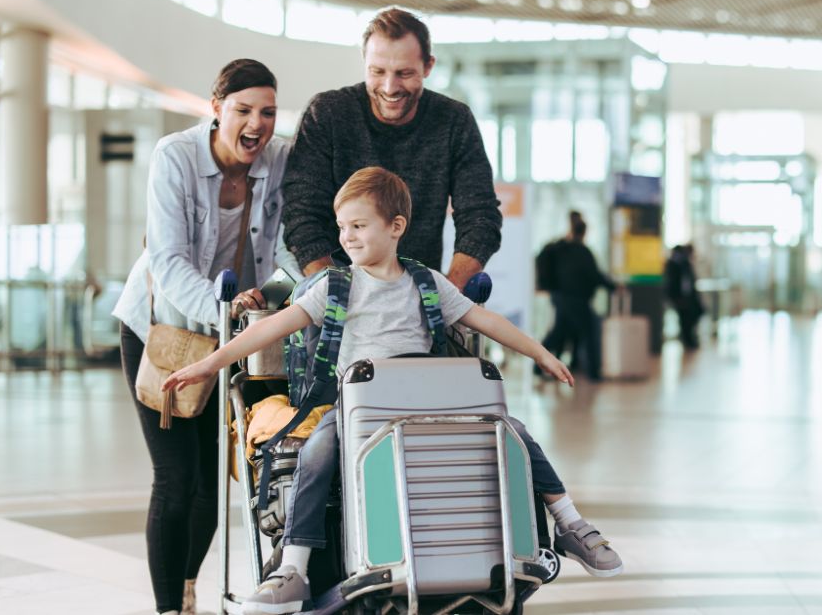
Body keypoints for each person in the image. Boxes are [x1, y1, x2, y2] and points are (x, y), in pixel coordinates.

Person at [166, 168, 623, 615]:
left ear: (396, 227)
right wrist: (208, 364)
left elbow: (487, 322)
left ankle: (569, 523)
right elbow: (271, 330)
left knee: (515, 432)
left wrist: (540, 353)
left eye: (359, 225)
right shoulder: (334, 287)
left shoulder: (426, 284)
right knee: (317, 451)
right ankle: (294, 568)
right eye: (343, 226)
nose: (347, 236)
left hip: (426, 404)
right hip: (357, 407)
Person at [112, 59, 291, 615]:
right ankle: (171, 607)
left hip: (228, 342)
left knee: (214, 489)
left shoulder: (280, 160)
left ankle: (187, 587)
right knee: (176, 478)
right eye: (243, 110)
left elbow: (289, 245)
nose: (256, 124)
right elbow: (166, 261)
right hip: (161, 333)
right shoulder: (176, 156)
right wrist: (223, 310)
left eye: (267, 112)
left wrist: (297, 291)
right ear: (215, 110)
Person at [281, 6, 500, 289]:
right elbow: (301, 213)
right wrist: (334, 293)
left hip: (420, 301)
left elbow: (480, 216)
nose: (389, 86)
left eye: (404, 73)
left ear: (428, 66)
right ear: (364, 63)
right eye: (378, 71)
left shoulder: (454, 121)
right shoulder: (327, 113)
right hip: (333, 300)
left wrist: (446, 297)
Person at [539, 211, 616, 377]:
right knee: (589, 332)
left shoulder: (560, 249)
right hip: (576, 300)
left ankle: (540, 365)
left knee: (559, 333)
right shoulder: (582, 252)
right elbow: (595, 276)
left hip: (560, 297)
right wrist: (613, 287)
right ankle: (594, 373)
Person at [664, 244, 704, 349]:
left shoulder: (685, 264)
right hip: (680, 298)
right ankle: (688, 340)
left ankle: (689, 339)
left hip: (688, 297)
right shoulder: (675, 264)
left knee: (692, 316)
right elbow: (672, 283)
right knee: (685, 319)